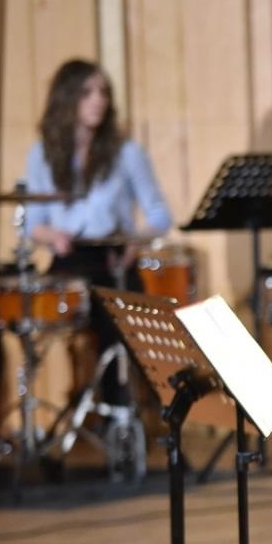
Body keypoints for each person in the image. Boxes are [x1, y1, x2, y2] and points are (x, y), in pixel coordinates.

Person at [22, 59, 172, 406]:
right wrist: (53, 237)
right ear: (67, 98)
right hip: (71, 259)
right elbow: (33, 223)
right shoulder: (42, 155)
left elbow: (159, 214)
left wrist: (136, 241)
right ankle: (75, 405)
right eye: (87, 92)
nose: (98, 101)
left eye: (103, 92)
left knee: (119, 324)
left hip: (114, 259)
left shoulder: (126, 152)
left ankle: (120, 411)